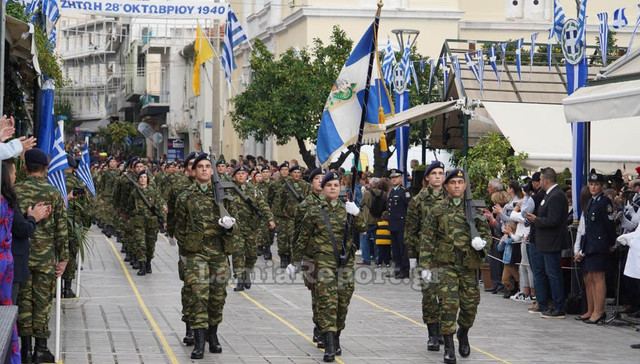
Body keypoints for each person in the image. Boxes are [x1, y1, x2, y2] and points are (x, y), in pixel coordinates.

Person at [290, 172, 366, 362]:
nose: (333, 188)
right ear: (322, 189)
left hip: (345, 263)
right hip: (323, 262)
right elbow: (302, 238)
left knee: (342, 302)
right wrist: (295, 261)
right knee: (327, 302)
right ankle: (330, 344)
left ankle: (337, 334)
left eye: (336, 185)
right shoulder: (314, 211)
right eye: (329, 185)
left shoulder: (346, 209)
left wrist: (357, 213)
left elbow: (363, 229)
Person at [419, 169, 490, 364]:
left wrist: (482, 244)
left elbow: (486, 235)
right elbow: (427, 239)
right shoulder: (437, 210)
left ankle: (464, 332)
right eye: (453, 183)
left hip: (468, 266)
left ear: (465, 186)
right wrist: (424, 266)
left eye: (460, 182)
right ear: (446, 186)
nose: (457, 186)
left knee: (470, 307)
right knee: (449, 306)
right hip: (446, 265)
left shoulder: (474, 210)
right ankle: (449, 347)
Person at [174, 153, 236, 359]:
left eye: (207, 166)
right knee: (199, 296)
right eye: (200, 166)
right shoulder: (185, 196)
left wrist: (229, 227)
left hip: (218, 252)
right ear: (194, 171)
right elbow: (178, 227)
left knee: (217, 297)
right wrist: (188, 248)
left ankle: (213, 335)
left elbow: (236, 225)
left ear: (213, 170)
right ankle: (199, 343)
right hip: (196, 254)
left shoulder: (223, 195)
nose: (203, 169)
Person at [15, 148, 69, 363]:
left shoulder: (15, 191)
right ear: (46, 168)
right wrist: (64, 258)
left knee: (24, 301)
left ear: (25, 167)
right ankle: (41, 348)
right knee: (43, 301)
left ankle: (25, 349)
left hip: (22, 254)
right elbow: (61, 229)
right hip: (45, 257)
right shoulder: (53, 193)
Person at [2, 159, 48, 364]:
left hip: (14, 262)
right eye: (11, 174)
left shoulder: (14, 194)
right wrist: (32, 218)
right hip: (10, 266)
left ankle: (28, 350)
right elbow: (21, 228)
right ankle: (29, 350)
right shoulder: (6, 201)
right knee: (10, 312)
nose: (14, 177)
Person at [404, 160, 446, 351]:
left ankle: (445, 332)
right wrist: (413, 257)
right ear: (427, 177)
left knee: (447, 296)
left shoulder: (452, 197)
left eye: (441, 173)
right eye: (434, 173)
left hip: (447, 255)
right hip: (426, 255)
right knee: (429, 295)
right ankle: (433, 334)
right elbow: (410, 230)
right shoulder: (418, 200)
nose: (438, 176)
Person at [525, 168, 568, 319]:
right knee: (548, 274)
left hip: (552, 242)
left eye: (541, 179)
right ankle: (550, 304)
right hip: (545, 241)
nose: (540, 182)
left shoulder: (556, 196)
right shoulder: (549, 195)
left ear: (546, 180)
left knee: (554, 274)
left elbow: (553, 220)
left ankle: (558, 306)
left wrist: (536, 219)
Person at [574, 171, 616, 324]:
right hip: (590, 245)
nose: (593, 187)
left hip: (600, 245)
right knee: (589, 278)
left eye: (596, 184)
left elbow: (609, 225)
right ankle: (591, 309)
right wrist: (581, 248)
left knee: (598, 278)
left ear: (602, 186)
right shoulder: (591, 201)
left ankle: (599, 311)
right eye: (591, 184)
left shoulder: (604, 202)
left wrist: (612, 243)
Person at [291, 168, 325, 347]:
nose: (320, 181)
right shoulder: (304, 205)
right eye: (316, 178)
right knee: (317, 294)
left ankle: (325, 330)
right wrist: (294, 260)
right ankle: (319, 328)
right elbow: (297, 234)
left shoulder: (334, 204)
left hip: (329, 257)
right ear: (311, 183)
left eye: (322, 178)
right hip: (311, 257)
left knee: (328, 295)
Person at [227, 165, 274, 291]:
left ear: (247, 176)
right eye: (238, 174)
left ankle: (247, 273)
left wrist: (270, 219)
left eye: (243, 173)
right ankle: (239, 279)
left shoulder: (253, 190)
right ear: (234, 176)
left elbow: (263, 205)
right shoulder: (229, 190)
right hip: (236, 227)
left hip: (252, 227)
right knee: (238, 253)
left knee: (251, 254)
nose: (241, 176)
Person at [131, 170, 167, 276]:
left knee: (150, 245)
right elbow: (129, 205)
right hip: (139, 221)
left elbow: (160, 205)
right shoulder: (135, 192)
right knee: (140, 244)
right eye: (141, 177)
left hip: (152, 222)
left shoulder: (153, 191)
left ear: (148, 179)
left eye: (144, 177)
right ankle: (142, 265)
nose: (142, 179)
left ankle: (148, 262)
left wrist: (164, 220)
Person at [387, 169, 411, 279]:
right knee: (395, 249)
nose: (394, 179)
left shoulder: (404, 192)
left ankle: (404, 270)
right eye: (392, 178)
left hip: (402, 225)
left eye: (396, 177)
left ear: (401, 178)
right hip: (393, 224)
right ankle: (397, 269)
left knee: (402, 249)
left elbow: (409, 208)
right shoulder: (392, 191)